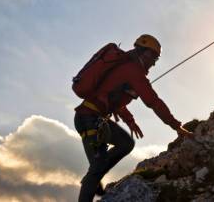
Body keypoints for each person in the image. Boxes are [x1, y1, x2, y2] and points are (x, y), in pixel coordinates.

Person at [73, 34, 192, 202]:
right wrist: (176, 126)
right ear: (144, 53)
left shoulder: (127, 68)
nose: (154, 63)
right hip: (89, 119)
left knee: (126, 144)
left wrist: (130, 121)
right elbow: (153, 101)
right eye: (153, 57)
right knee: (97, 167)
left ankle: (92, 175)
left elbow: (112, 98)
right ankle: (92, 177)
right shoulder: (133, 70)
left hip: (92, 119)